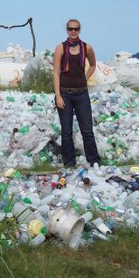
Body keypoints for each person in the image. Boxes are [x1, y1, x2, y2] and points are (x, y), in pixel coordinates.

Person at [53, 19, 101, 168]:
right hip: (65, 93)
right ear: (66, 30)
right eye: (70, 29)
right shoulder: (60, 48)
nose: (73, 31)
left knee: (87, 130)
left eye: (76, 29)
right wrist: (58, 96)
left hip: (82, 94)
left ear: (80, 30)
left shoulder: (87, 48)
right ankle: (69, 162)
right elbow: (56, 73)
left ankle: (94, 161)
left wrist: (84, 79)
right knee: (66, 131)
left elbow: (93, 65)